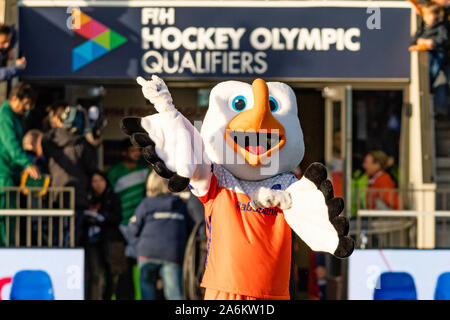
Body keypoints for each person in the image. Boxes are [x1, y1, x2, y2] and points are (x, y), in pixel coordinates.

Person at [128, 171, 192, 300]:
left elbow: (133, 229)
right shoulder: (181, 205)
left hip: (147, 252)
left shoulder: (146, 204)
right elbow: (190, 227)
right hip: (172, 253)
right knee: (174, 294)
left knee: (147, 293)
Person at [41, 101, 98, 245]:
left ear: (58, 119)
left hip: (55, 196)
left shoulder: (49, 140)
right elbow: (91, 167)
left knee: (54, 238)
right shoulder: (82, 144)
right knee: (71, 240)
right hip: (77, 198)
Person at [107, 139, 149, 300]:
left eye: (138, 150)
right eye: (133, 150)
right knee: (120, 267)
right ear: (124, 152)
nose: (136, 153)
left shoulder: (145, 171)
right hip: (119, 226)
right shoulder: (114, 172)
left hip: (140, 226)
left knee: (139, 265)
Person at [0, 83, 40, 247]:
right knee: (5, 219)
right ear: (14, 99)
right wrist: (27, 163)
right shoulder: (5, 116)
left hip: (10, 174)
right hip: (3, 177)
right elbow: (11, 145)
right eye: (25, 104)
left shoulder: (15, 116)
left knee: (11, 219)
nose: (27, 108)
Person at [82, 171, 126, 300]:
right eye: (94, 181)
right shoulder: (87, 198)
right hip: (92, 242)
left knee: (112, 274)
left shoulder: (112, 197)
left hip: (110, 241)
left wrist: (100, 215)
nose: (98, 184)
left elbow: (117, 217)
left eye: (100, 180)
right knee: (96, 274)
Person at [409, 3, 448, 92]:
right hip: (425, 53)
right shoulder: (423, 27)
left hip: (437, 52)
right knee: (425, 71)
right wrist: (416, 42)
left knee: (434, 69)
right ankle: (426, 85)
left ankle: (430, 85)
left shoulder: (440, 26)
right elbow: (415, 38)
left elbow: (443, 38)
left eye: (429, 15)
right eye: (426, 15)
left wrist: (432, 42)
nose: (427, 17)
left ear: (436, 16)